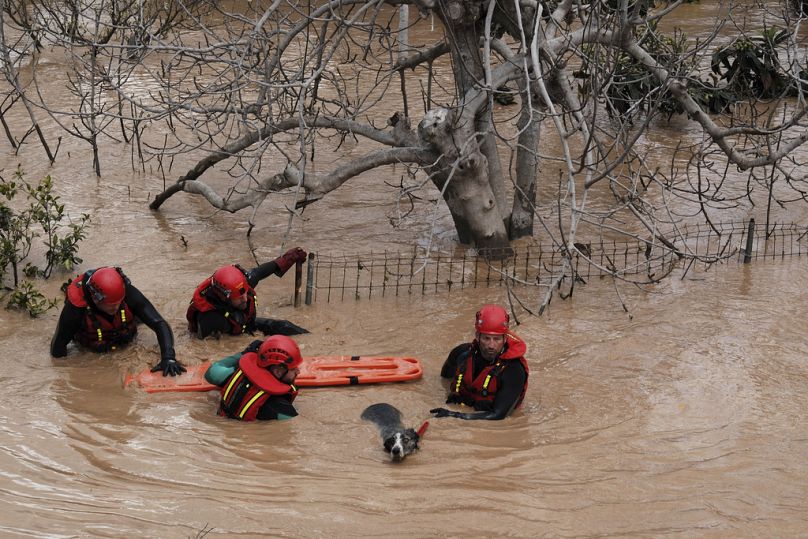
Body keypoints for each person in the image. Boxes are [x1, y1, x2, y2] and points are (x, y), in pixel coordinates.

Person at [51, 266, 186, 377]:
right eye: (110, 305)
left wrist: (168, 357)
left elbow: (159, 323)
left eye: (118, 303)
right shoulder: (75, 310)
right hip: (93, 348)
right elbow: (57, 349)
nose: (115, 308)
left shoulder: (126, 291)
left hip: (125, 336)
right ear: (95, 299)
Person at [430, 304, 529, 420]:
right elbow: (444, 380)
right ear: (477, 336)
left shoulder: (514, 370)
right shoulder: (461, 354)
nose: (491, 345)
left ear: (505, 339)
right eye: (486, 338)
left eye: (497, 339)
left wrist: (454, 415)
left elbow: (498, 415)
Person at [186, 248, 309, 339]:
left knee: (284, 326)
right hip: (229, 331)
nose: (245, 299)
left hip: (243, 323)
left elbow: (259, 273)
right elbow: (206, 348)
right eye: (239, 298)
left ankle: (310, 337)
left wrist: (288, 259)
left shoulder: (241, 285)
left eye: (245, 293)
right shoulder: (210, 319)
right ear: (224, 298)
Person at [205, 335, 302, 421]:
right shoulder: (282, 409)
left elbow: (211, 373)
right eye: (294, 369)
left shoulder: (236, 374)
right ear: (277, 372)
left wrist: (243, 354)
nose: (298, 371)